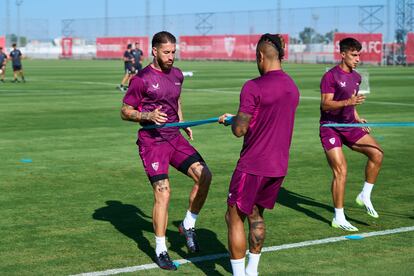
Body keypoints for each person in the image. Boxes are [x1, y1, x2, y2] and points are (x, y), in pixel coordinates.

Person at [120, 31, 212, 271]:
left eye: (174, 52)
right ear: (154, 51)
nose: (171, 57)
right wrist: (147, 115)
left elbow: (176, 101)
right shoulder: (142, 79)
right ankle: (161, 249)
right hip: (152, 142)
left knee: (205, 176)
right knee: (164, 192)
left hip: (174, 137)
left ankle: (188, 224)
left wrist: (183, 123)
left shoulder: (178, 74)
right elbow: (125, 111)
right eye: (166, 52)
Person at [219, 33, 300, 276]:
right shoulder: (291, 87)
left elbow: (240, 130)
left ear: (260, 56)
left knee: (233, 217)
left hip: (252, 165)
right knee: (256, 215)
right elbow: (266, 117)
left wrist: (232, 121)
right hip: (278, 167)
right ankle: (252, 271)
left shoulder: (253, 86)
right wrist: (239, 118)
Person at [319, 37, 384, 232]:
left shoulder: (357, 77)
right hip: (330, 127)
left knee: (377, 154)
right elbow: (325, 104)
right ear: (343, 54)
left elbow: (352, 103)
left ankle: (365, 194)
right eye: (354, 55)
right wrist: (348, 103)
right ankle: (338, 217)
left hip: (349, 126)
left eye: (359, 55)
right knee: (341, 171)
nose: (357, 59)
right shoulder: (330, 76)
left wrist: (357, 117)